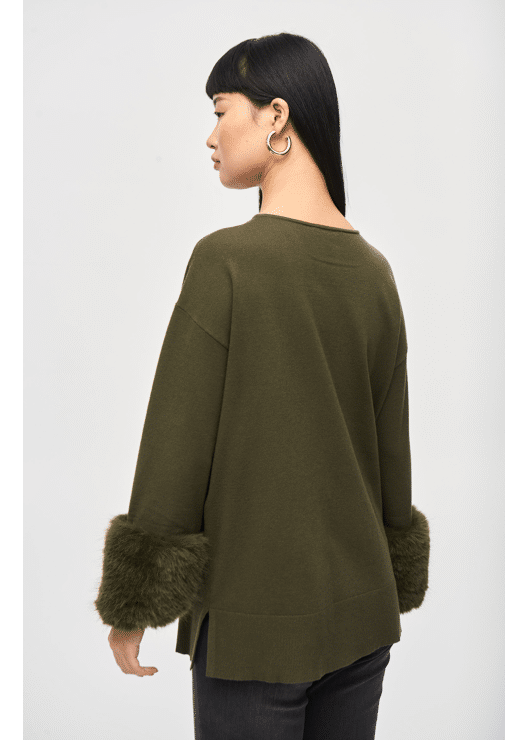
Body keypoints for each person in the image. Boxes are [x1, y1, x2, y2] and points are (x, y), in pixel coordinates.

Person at [94, 32, 431, 739]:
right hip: (363, 618)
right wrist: (394, 570)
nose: (211, 136)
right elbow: (391, 455)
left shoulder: (227, 262)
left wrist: (134, 602)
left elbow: (177, 445)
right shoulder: (375, 273)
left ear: (276, 115)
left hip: (254, 629)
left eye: (221, 111)